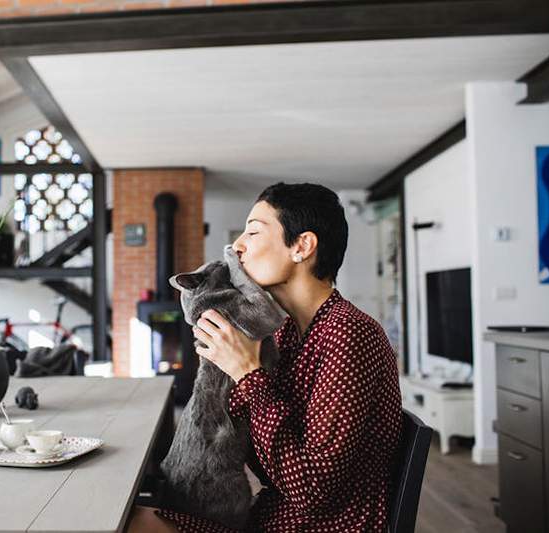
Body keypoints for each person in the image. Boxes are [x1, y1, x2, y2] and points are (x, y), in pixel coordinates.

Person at [128, 182, 402, 532]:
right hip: (271, 517)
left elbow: (313, 494)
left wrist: (247, 373)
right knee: (130, 514)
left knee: (133, 523)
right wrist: (222, 374)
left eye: (253, 232)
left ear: (302, 246)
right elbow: (269, 466)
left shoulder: (350, 334)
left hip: (322, 525)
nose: (236, 247)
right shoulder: (286, 333)